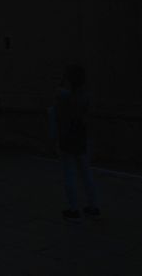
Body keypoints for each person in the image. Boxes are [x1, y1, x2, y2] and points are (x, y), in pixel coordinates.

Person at [53, 64, 101, 222]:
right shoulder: (85, 96)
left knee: (69, 173)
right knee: (86, 173)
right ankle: (93, 206)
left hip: (68, 137)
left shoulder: (64, 96)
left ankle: (74, 209)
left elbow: (59, 113)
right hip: (81, 136)